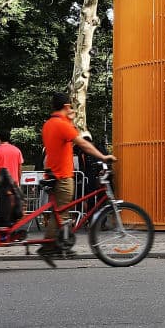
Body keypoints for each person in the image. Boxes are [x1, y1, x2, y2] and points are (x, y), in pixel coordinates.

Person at [38, 92, 116, 265]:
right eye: (70, 106)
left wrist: (70, 120)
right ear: (66, 106)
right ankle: (49, 246)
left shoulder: (49, 124)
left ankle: (59, 244)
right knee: (61, 212)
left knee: (59, 212)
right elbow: (83, 144)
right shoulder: (62, 124)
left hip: (52, 173)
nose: (72, 109)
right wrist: (103, 157)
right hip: (63, 175)